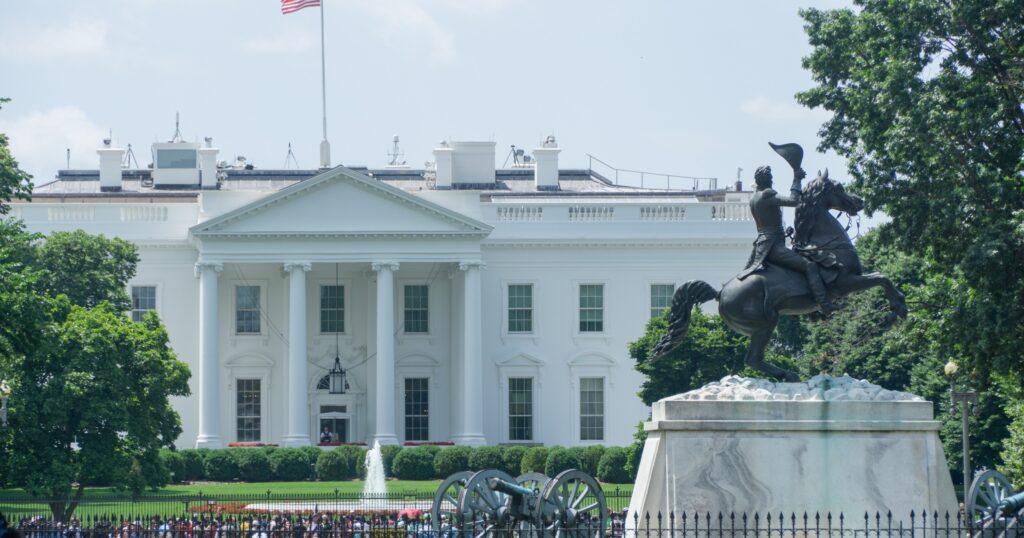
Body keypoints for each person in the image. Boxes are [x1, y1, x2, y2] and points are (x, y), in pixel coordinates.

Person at [738, 165, 837, 314]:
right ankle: (825, 305)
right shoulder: (767, 195)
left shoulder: (754, 198)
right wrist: (796, 178)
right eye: (771, 178)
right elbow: (794, 200)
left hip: (764, 244)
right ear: (766, 180)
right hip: (773, 247)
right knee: (809, 266)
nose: (772, 181)